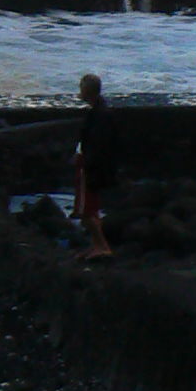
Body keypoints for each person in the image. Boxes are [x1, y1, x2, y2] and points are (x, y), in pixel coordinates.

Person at [73, 72, 118, 258]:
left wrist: (85, 162)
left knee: (86, 211)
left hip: (91, 169)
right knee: (91, 210)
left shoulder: (100, 115)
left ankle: (102, 247)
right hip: (95, 167)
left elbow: (98, 145)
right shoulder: (100, 111)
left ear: (86, 91)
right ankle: (97, 245)